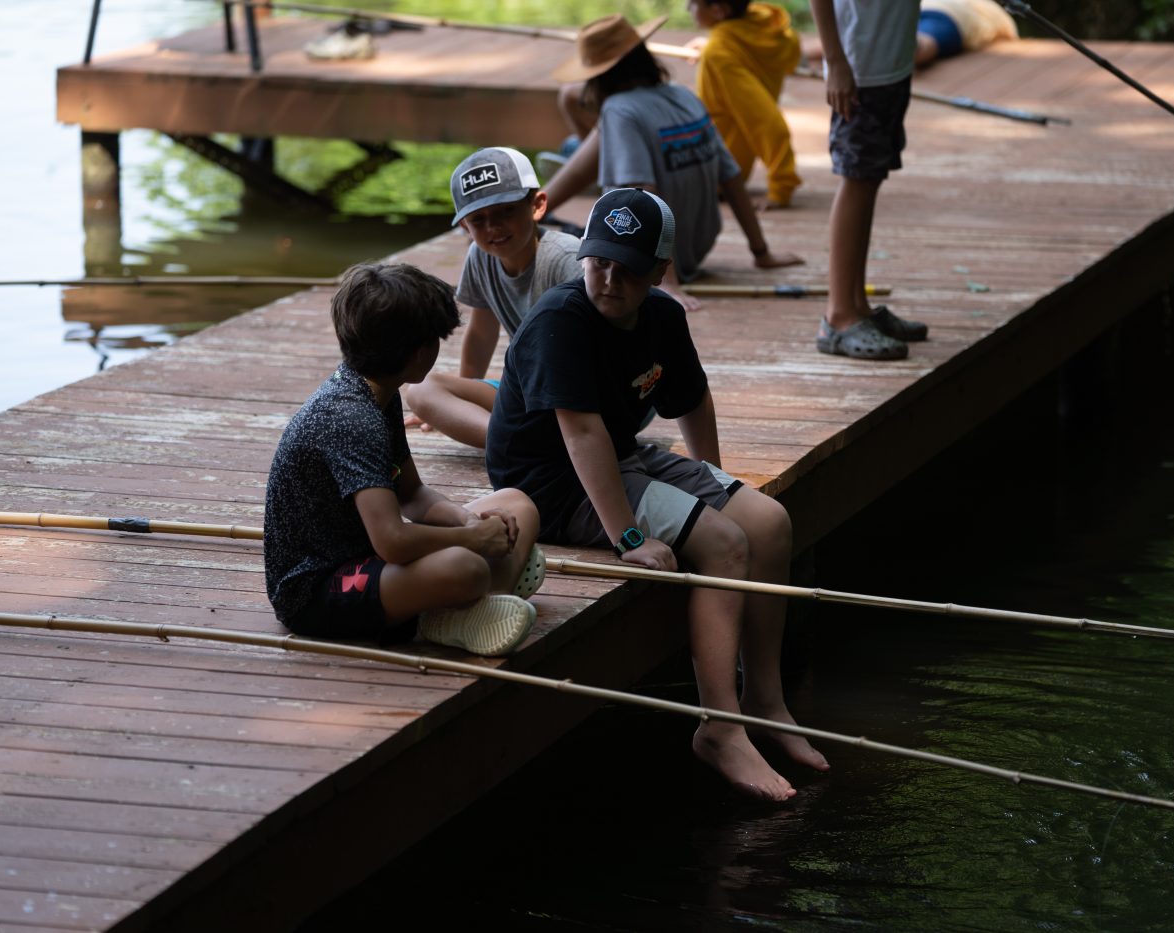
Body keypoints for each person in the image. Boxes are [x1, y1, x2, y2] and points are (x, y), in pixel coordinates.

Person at [486, 188, 829, 801]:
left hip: (619, 454)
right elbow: (580, 433)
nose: (609, 280)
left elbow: (692, 399)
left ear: (660, 271)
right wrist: (629, 537)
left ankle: (765, 700)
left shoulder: (663, 316)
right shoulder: (560, 321)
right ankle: (719, 727)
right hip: (552, 481)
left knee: (768, 523)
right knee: (725, 545)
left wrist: (712, 482)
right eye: (599, 262)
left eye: (628, 268)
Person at [264, 261, 545, 657]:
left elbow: (411, 494)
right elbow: (393, 542)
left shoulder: (379, 389)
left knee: (518, 504)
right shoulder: (351, 418)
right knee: (465, 567)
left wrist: (467, 521)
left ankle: (473, 603)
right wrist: (472, 539)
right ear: (419, 353)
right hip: (317, 589)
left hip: (368, 555)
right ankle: (445, 615)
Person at [542, 14, 801, 312]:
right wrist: (761, 252)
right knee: (603, 132)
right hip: (694, 248)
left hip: (641, 260)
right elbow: (731, 177)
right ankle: (538, 208)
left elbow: (642, 194)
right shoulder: (683, 96)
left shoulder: (619, 110)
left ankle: (537, 209)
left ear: (598, 75)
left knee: (545, 248)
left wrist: (665, 281)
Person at [402, 147, 581, 448]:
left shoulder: (565, 259)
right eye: (478, 219)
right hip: (533, 393)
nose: (493, 227)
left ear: (537, 205)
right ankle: (523, 445)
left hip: (585, 395)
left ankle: (542, 445)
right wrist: (462, 398)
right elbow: (481, 333)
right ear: (465, 227)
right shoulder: (480, 256)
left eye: (506, 211)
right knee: (422, 391)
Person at [809, 0, 930, 360]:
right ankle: (838, 317)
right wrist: (835, 61)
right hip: (860, 69)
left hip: (891, 62)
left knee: (870, 178)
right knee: (857, 180)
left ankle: (858, 306)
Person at [689, 1, 803, 211]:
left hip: (717, 171)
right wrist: (715, 44)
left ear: (718, 10)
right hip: (734, 165)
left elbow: (769, 124)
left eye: (693, 3)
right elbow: (788, 56)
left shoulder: (719, 53)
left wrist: (780, 189)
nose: (688, 9)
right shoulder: (770, 30)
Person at [915, 0, 1018, 68]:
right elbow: (1007, 33)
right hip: (949, 18)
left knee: (925, 40)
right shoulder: (988, 7)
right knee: (927, 41)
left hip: (926, 12)